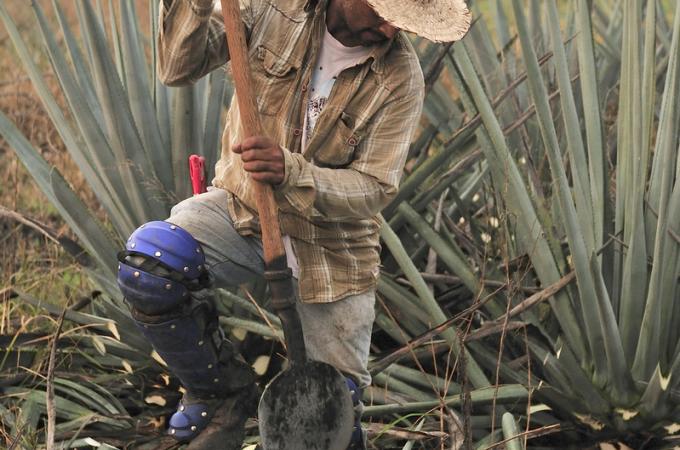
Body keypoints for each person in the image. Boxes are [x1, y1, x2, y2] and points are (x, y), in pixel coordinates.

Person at [116, 0, 470, 448]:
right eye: (381, 12)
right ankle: (220, 394)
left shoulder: (400, 77)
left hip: (333, 245)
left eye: (401, 22)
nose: (388, 30)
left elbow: (374, 187)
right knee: (151, 266)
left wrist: (292, 172)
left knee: (331, 414)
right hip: (242, 208)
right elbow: (177, 68)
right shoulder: (273, 9)